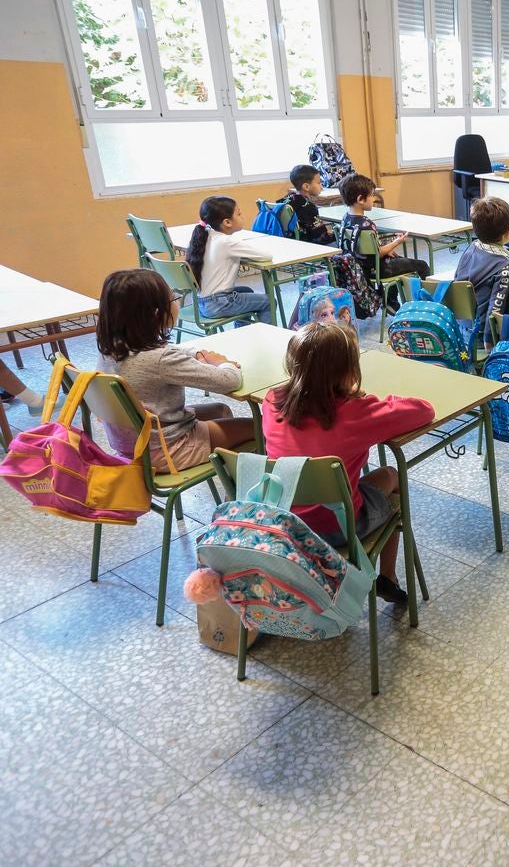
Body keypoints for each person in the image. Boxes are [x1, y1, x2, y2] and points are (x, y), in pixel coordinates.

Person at [262, 322, 433, 605]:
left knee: (338, 481)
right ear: (349, 371)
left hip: (285, 520)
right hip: (337, 527)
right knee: (391, 474)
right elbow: (424, 410)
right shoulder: (356, 413)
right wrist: (367, 400)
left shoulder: (272, 401)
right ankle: (387, 577)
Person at [95, 269, 255, 473]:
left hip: (133, 444)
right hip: (167, 450)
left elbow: (169, 353)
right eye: (173, 297)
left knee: (220, 410)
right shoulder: (161, 360)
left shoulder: (112, 348)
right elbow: (229, 380)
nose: (177, 302)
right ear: (156, 313)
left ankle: (229, 477)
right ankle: (244, 491)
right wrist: (222, 362)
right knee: (257, 427)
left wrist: (196, 353)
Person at [335, 173, 430, 308]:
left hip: (358, 267)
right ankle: (432, 301)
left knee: (400, 260)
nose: (373, 198)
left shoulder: (345, 219)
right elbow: (377, 253)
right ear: (361, 199)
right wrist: (397, 241)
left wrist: (387, 249)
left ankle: (391, 300)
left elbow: (366, 248)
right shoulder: (367, 224)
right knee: (421, 265)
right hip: (377, 268)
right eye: (372, 195)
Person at [185, 196, 273, 325]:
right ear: (227, 222)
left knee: (246, 290)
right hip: (218, 304)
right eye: (239, 214)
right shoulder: (227, 242)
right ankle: (266, 337)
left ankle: (244, 332)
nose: (242, 216)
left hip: (201, 302)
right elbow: (266, 256)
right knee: (268, 301)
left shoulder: (205, 236)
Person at [454, 197, 509, 332]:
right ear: (507, 233)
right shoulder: (506, 268)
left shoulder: (472, 248)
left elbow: (461, 283)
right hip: (482, 337)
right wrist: (490, 345)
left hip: (460, 329)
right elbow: (494, 313)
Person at [284, 165, 336, 245]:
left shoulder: (285, 200)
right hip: (309, 246)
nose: (321, 187)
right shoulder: (308, 207)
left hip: (290, 243)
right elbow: (322, 238)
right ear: (306, 187)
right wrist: (336, 234)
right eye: (319, 183)